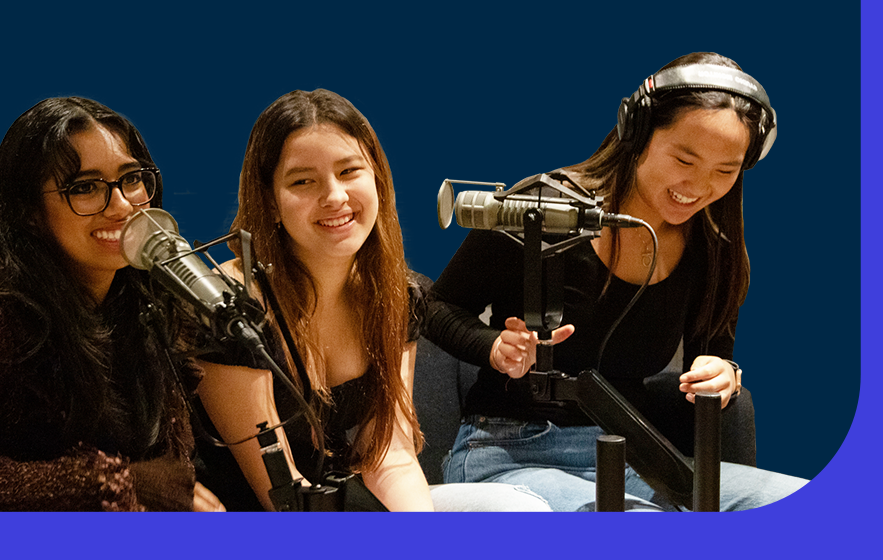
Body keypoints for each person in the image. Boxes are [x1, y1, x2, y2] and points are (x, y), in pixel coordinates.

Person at [426, 52, 808, 511]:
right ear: (638, 132)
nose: (699, 185)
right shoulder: (546, 211)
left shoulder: (712, 247)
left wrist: (724, 374)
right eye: (684, 159)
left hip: (634, 458)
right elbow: (434, 307)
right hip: (509, 452)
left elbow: (713, 355)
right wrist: (492, 346)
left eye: (724, 171)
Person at [193, 89, 550, 511]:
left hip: (341, 504)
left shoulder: (397, 294)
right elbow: (278, 494)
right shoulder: (230, 306)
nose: (334, 196)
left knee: (516, 512)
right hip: (260, 518)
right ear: (270, 201)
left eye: (349, 171)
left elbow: (390, 455)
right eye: (302, 181)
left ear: (376, 179)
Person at [0, 97, 222, 511]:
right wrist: (112, 485)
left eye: (132, 178)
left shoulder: (147, 295)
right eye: (85, 188)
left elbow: (173, 468)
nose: (123, 206)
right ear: (30, 212)